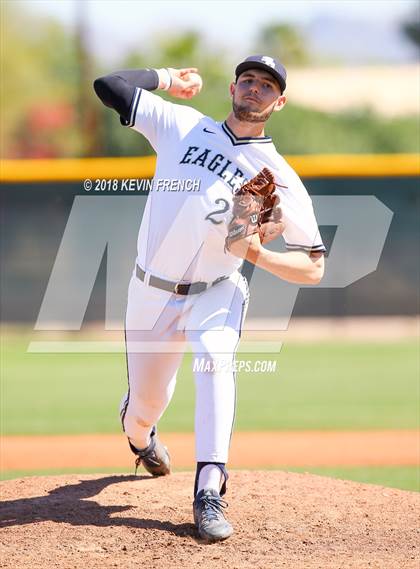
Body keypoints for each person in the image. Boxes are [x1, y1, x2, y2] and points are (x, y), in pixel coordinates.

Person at [93, 55, 325, 542]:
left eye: (267, 85)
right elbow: (108, 84)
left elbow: (313, 266)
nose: (255, 89)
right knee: (144, 408)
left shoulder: (279, 176)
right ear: (233, 87)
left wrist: (256, 254)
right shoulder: (181, 125)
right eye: (248, 80)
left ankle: (209, 490)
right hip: (151, 291)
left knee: (216, 361)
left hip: (218, 291)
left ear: (279, 102)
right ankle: (142, 437)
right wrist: (168, 79)